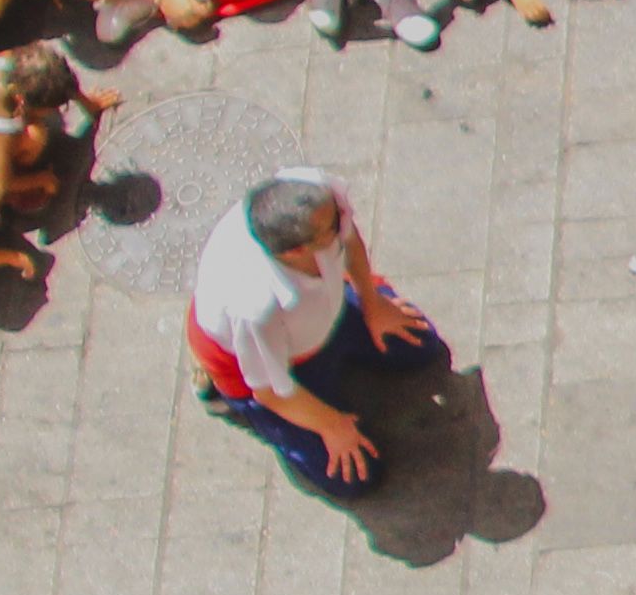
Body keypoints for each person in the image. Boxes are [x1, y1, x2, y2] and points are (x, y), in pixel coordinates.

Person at [189, 171, 453, 493]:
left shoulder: (314, 194)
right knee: (356, 477)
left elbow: (349, 237)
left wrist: (372, 303)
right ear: (295, 252)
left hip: (326, 316)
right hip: (271, 368)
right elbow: (271, 391)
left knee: (422, 346)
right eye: (332, 226)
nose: (344, 218)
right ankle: (224, 395)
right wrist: (332, 425)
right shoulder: (255, 307)